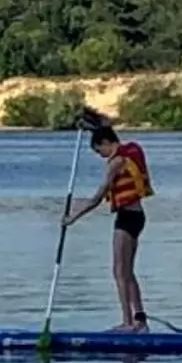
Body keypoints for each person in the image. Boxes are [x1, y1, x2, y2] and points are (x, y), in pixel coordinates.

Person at [67, 118, 153, 331]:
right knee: (128, 271)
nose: (101, 156)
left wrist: (73, 217)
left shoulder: (116, 163)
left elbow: (97, 198)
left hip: (126, 219)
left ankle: (127, 322)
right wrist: (89, 129)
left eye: (100, 151)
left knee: (119, 271)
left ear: (107, 143)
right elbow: (105, 130)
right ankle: (140, 320)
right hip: (138, 217)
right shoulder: (131, 149)